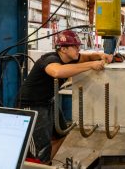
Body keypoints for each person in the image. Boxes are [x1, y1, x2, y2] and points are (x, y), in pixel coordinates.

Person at [18, 30, 113, 164]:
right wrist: (91, 65)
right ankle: (38, 164)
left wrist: (102, 55)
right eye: (75, 46)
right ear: (63, 48)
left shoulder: (71, 58)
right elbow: (57, 72)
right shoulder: (50, 59)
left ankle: (45, 164)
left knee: (61, 133)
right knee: (38, 150)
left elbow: (89, 57)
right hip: (32, 105)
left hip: (47, 101)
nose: (78, 49)